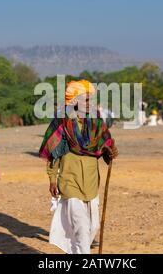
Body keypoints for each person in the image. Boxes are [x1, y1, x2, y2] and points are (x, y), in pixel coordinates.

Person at [39, 80, 119, 254]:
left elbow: (108, 151)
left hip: (91, 182)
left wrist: (110, 151)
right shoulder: (62, 124)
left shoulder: (98, 124)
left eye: (91, 99)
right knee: (81, 227)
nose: (91, 103)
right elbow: (54, 155)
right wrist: (52, 179)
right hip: (69, 181)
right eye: (86, 99)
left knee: (93, 226)